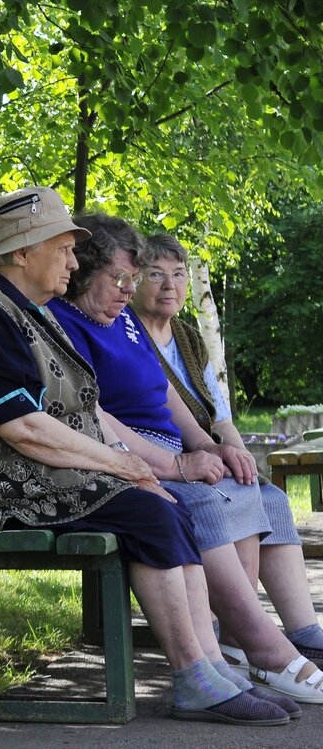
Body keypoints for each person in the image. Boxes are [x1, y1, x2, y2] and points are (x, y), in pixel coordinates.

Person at [0, 186, 292, 725]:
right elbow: (23, 427)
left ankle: (210, 665)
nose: (73, 260)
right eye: (64, 247)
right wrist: (122, 465)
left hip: (34, 476)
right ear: (23, 252)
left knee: (161, 504)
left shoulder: (27, 311)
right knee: (148, 509)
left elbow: (77, 414)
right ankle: (193, 676)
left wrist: (139, 467)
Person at [48, 213, 323, 705]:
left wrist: (208, 445)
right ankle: (261, 648)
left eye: (136, 277)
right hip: (128, 458)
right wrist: (176, 465)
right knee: (206, 501)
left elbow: (167, 395)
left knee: (259, 494)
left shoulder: (121, 318)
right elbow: (93, 414)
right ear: (83, 272)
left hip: (170, 448)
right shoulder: (63, 323)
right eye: (124, 278)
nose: (130, 289)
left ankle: (259, 639)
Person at [132, 232, 323, 669]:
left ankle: (304, 632)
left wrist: (239, 457)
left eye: (179, 275)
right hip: (166, 458)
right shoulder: (127, 332)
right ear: (134, 279)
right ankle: (238, 633)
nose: (170, 286)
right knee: (233, 498)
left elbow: (219, 417)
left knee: (268, 496)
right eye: (156, 275)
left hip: (206, 455)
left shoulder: (188, 336)